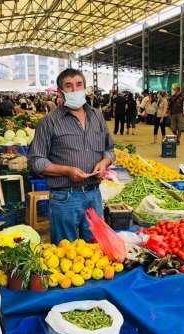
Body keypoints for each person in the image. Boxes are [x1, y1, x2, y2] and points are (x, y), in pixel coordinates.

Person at [28, 68, 116, 243]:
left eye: (79, 85)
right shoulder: (49, 122)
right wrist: (67, 171)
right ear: (61, 92)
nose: (75, 90)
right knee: (65, 251)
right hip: (65, 197)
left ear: (85, 87)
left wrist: (104, 163)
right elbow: (35, 161)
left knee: (95, 249)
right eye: (69, 86)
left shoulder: (97, 116)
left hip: (94, 195)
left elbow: (110, 149)